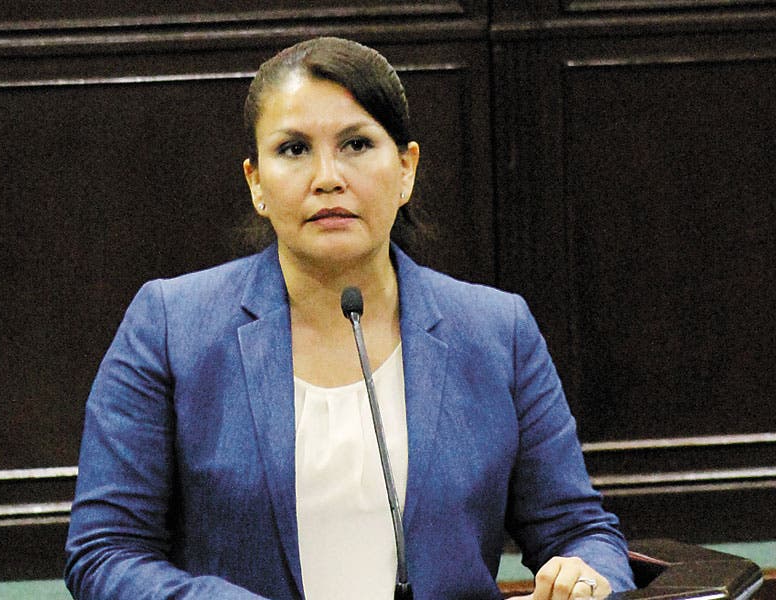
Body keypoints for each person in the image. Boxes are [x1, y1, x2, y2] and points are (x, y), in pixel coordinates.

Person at [64, 36, 636, 600]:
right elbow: (105, 553)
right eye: (294, 149)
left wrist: (585, 580)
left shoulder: (496, 330)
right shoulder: (170, 326)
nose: (327, 176)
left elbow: (580, 532)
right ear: (256, 182)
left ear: (406, 169)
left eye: (357, 144)